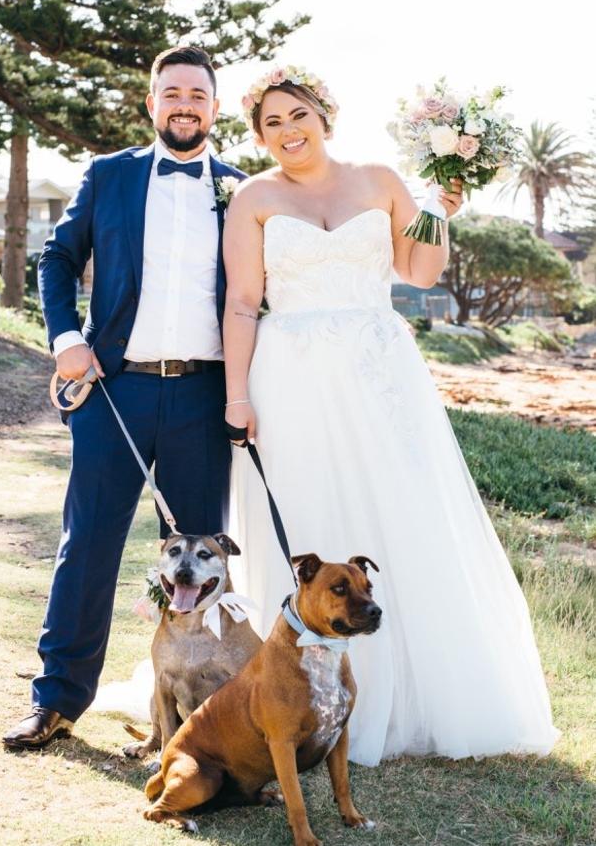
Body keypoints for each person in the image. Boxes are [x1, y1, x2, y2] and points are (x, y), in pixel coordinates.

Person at [223, 66, 559, 766]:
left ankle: (412, 695)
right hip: (290, 375)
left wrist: (439, 209)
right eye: (271, 123)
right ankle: (293, 698)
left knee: (401, 514)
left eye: (298, 114)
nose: (287, 131)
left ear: (325, 114)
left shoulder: (378, 180)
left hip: (378, 370)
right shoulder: (252, 197)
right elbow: (242, 302)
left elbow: (420, 271)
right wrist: (238, 395)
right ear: (260, 136)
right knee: (311, 508)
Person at [3, 46, 245, 750]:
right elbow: (57, 256)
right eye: (171, 93)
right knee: (89, 546)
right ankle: (55, 700)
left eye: (197, 94)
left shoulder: (241, 189)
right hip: (115, 390)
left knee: (203, 561)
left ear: (215, 107)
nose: (184, 104)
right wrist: (65, 337)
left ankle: (206, 719)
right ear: (151, 103)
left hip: (204, 396)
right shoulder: (110, 175)